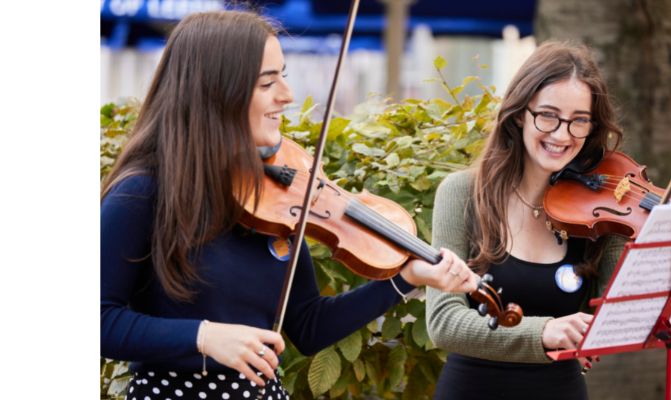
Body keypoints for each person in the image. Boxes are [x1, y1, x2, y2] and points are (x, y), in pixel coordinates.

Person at [101, 10, 477, 400]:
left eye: (284, 75)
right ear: (217, 91)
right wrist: (203, 336)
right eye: (268, 82)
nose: (287, 95)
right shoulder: (143, 191)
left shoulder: (277, 197)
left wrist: (406, 278)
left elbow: (309, 326)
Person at [425, 41, 628, 400]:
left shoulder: (599, 212)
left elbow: (617, 316)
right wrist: (541, 333)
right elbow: (444, 322)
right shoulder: (462, 194)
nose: (562, 135)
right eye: (548, 115)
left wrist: (638, 230)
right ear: (520, 113)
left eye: (579, 120)